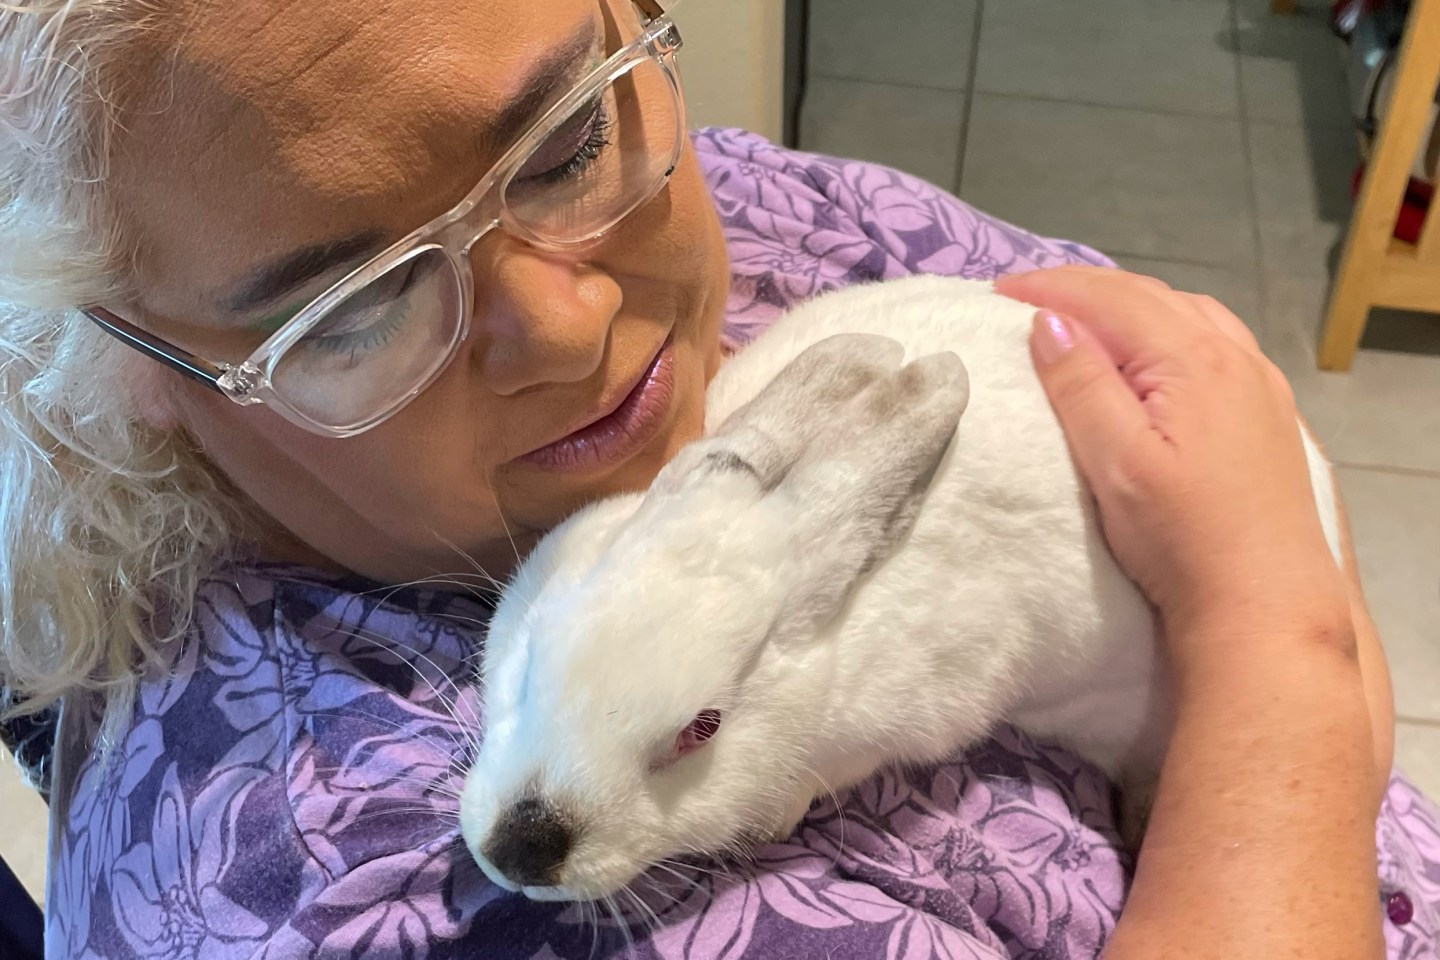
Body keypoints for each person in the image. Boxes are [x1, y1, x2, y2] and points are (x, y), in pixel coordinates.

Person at [0, 1, 1434, 958]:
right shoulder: (364, 882)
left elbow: (1178, 379)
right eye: (358, 307)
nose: (570, 329)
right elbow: (1237, 489)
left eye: (565, 141)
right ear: (110, 361)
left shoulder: (731, 195)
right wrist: (1282, 648)